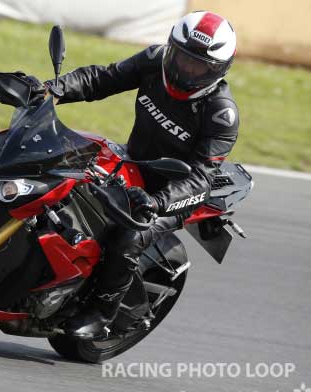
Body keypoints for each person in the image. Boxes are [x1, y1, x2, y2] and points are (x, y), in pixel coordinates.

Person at [47, 11, 240, 338]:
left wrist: (157, 202)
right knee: (61, 173)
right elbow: (102, 78)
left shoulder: (221, 114)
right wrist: (52, 90)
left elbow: (200, 180)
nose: (185, 69)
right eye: (182, 57)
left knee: (131, 235)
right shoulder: (154, 61)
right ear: (171, 48)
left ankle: (103, 312)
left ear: (217, 70)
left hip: (175, 192)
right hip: (133, 162)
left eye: (198, 66)